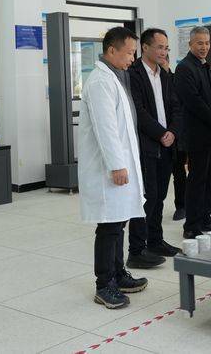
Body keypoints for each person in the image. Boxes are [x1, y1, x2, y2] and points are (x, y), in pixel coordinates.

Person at [78, 26, 148, 309]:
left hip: (120, 166)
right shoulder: (99, 82)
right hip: (108, 169)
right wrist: (117, 165)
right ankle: (104, 284)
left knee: (119, 222)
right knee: (109, 226)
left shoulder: (115, 77)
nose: (132, 58)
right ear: (111, 50)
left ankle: (119, 274)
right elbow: (106, 128)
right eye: (129, 53)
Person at [128, 28, 182, 266]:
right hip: (147, 145)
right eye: (160, 47)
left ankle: (155, 240)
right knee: (146, 198)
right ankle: (136, 251)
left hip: (167, 145)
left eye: (166, 48)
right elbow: (138, 111)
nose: (164, 52)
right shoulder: (133, 74)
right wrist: (161, 134)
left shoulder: (165, 75)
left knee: (160, 196)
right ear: (145, 47)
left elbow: (177, 107)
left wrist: (173, 132)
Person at [175, 26, 211, 239]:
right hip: (197, 136)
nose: (204, 47)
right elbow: (194, 101)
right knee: (197, 181)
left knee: (210, 180)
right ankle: (191, 225)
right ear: (190, 44)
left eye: (207, 43)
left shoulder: (206, 67)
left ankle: (205, 218)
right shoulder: (185, 68)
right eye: (200, 43)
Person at [161, 54, 189, 220]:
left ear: (167, 62)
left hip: (177, 135)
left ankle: (181, 206)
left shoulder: (176, 80)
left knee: (179, 172)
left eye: (163, 61)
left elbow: (181, 108)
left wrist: (175, 130)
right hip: (159, 135)